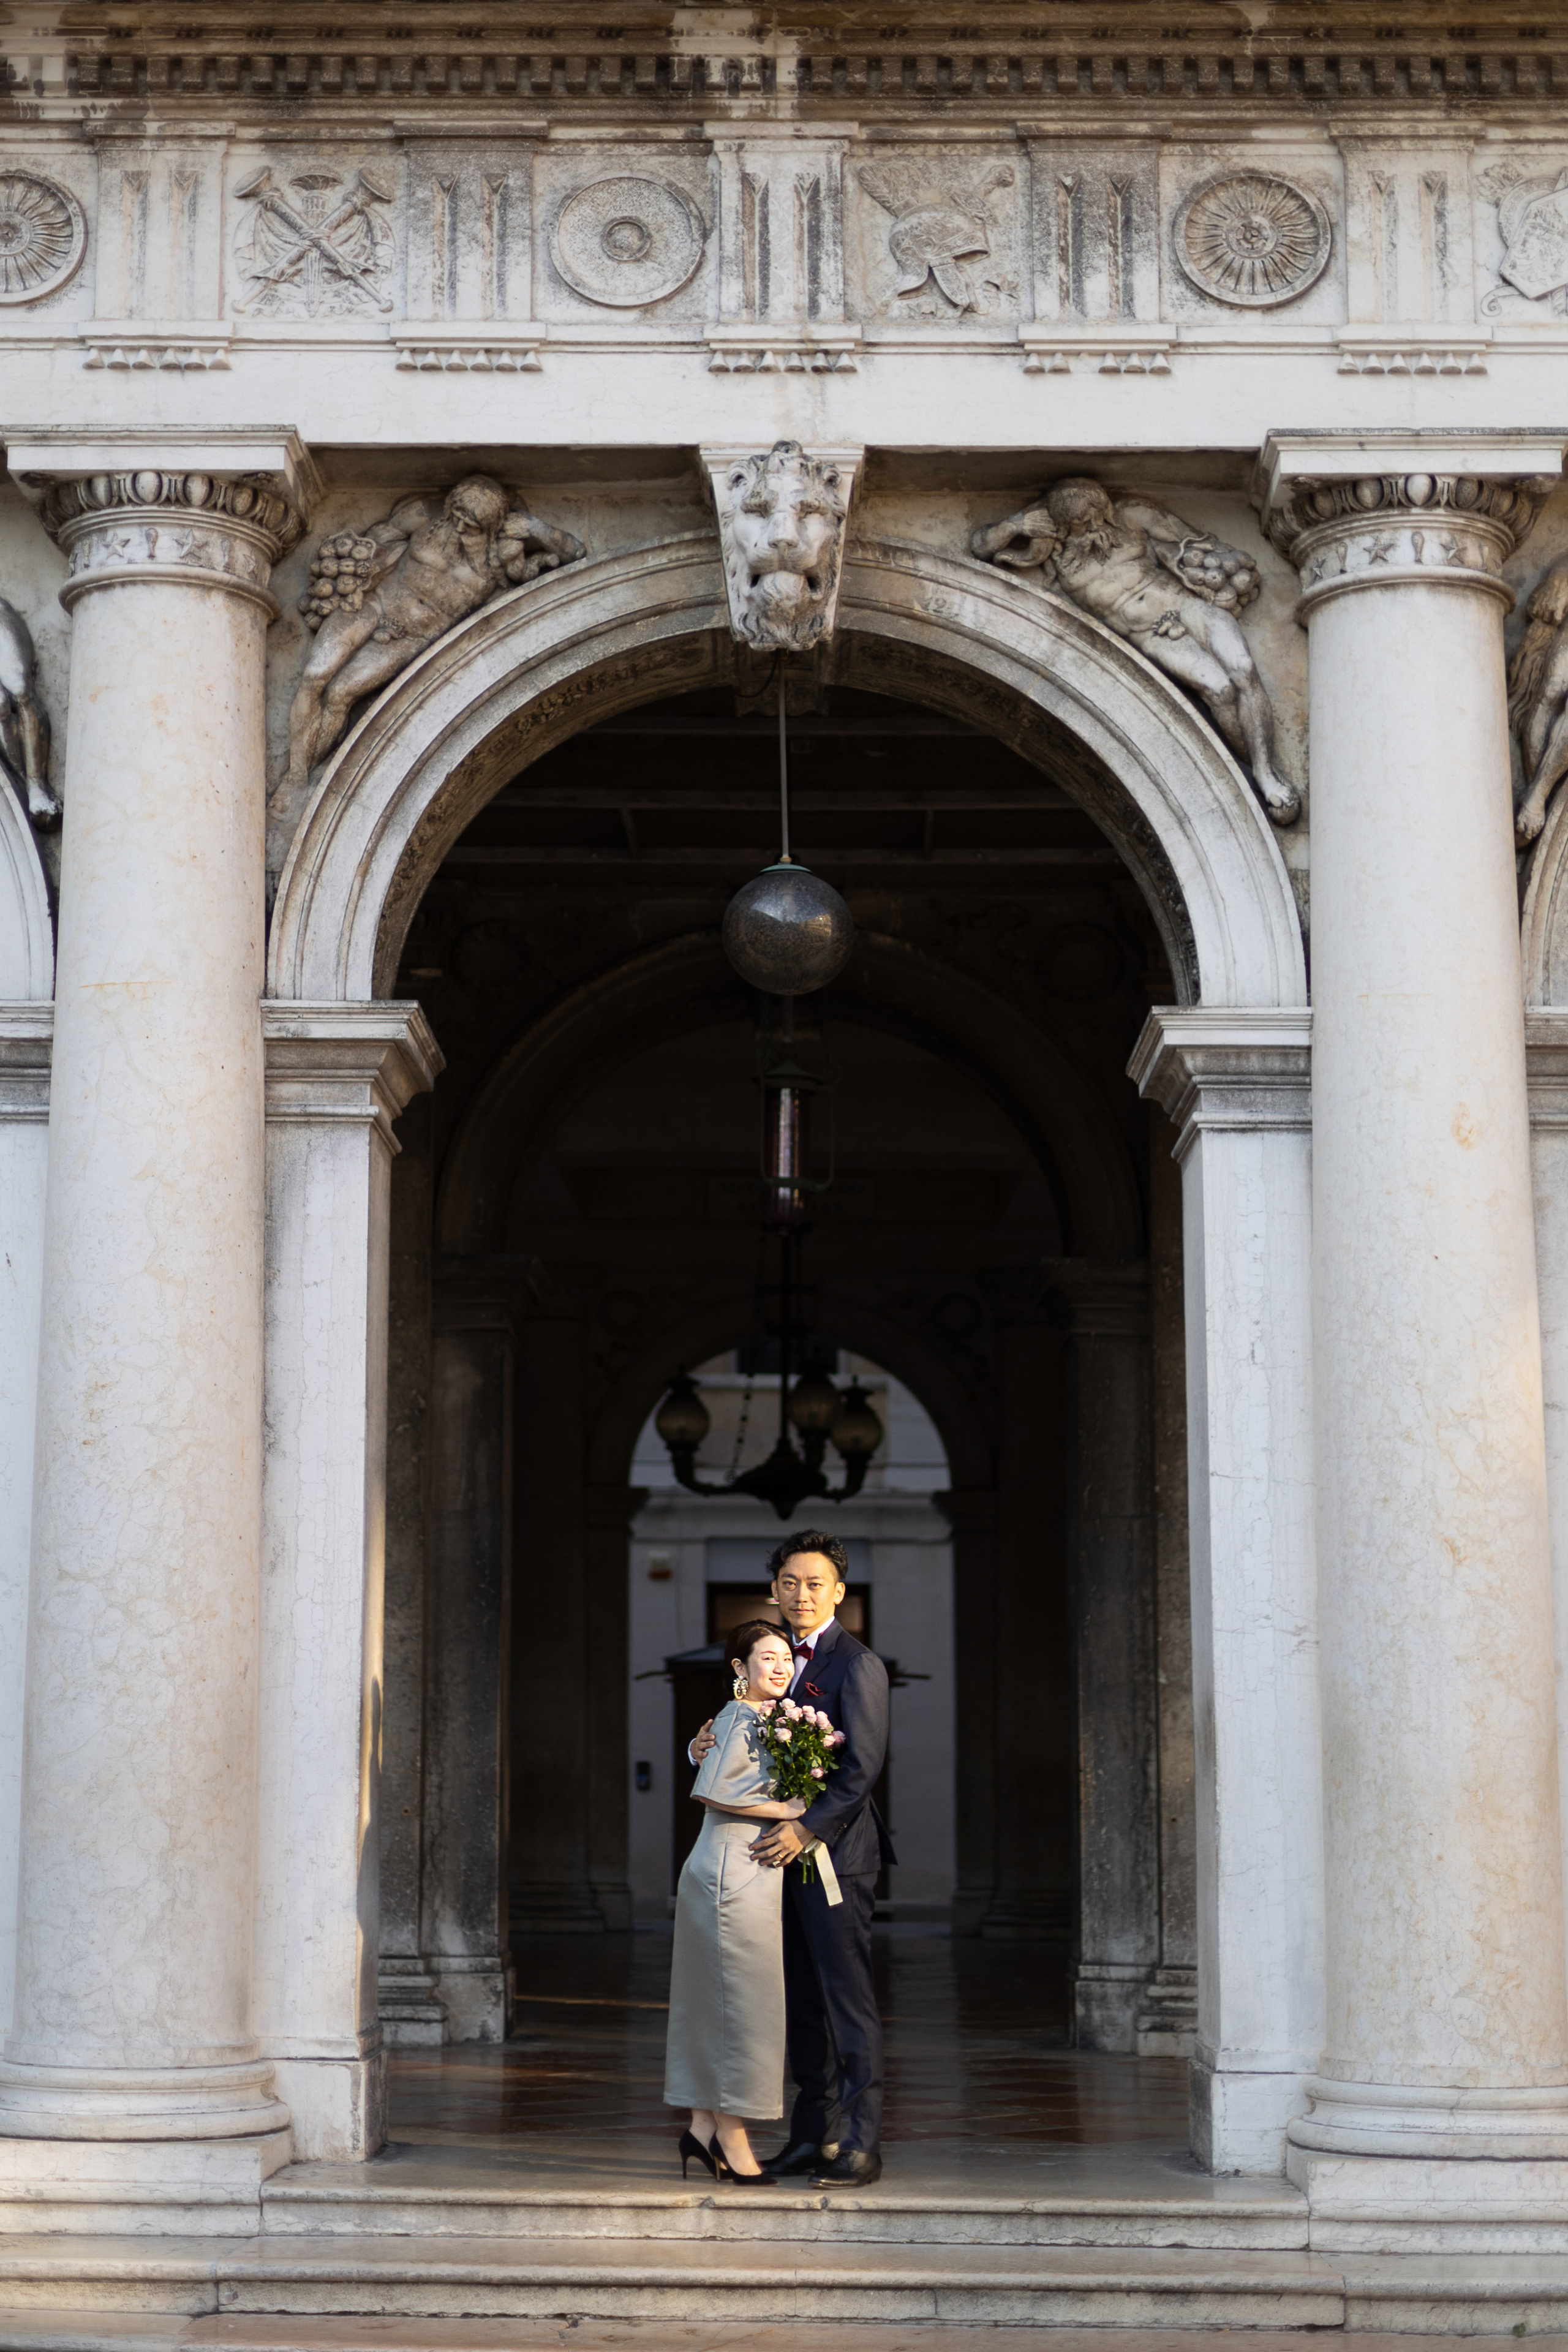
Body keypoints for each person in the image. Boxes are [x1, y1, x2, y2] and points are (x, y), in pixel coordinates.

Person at [690, 1529, 894, 2188]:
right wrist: (706, 1745)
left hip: (835, 1856)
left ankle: (860, 2141)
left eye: (815, 1584)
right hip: (776, 1862)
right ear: (774, 1589)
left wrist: (807, 1830)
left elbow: (861, 1769)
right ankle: (812, 2135)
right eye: (789, 1584)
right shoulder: (769, 1659)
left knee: (846, 1998)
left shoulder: (856, 1663)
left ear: (838, 1591)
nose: (800, 1595)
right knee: (800, 2002)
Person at [663, 1619, 806, 2184]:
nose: (778, 1666)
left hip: (744, 1871)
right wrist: (793, 1812)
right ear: (740, 1671)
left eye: (785, 1658)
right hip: (729, 1870)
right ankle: (733, 2136)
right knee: (739, 2009)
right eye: (765, 1658)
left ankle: (702, 2127)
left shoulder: (774, 1720)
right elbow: (713, 1790)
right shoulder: (737, 1715)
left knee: (720, 2003)